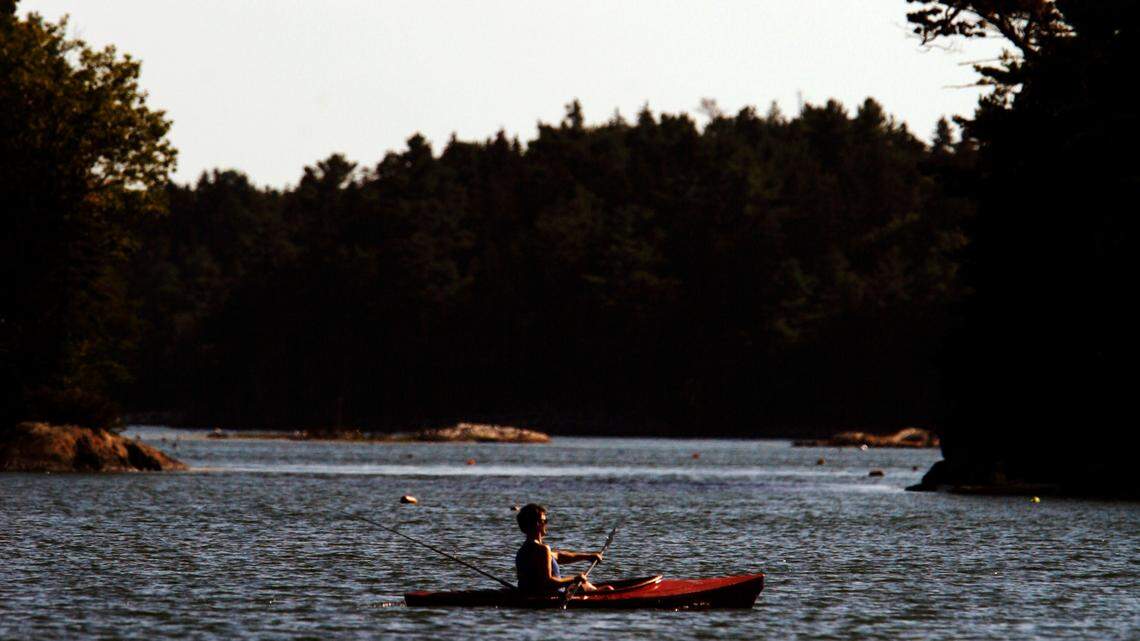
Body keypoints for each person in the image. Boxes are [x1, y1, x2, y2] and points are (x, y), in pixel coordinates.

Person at [514, 503, 615, 594]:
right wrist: (574, 579)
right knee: (608, 590)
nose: (547, 524)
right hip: (549, 596)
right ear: (537, 524)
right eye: (545, 521)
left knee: (585, 585)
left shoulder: (522, 551)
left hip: (529, 594)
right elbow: (548, 582)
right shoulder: (542, 549)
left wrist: (588, 556)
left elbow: (558, 556)